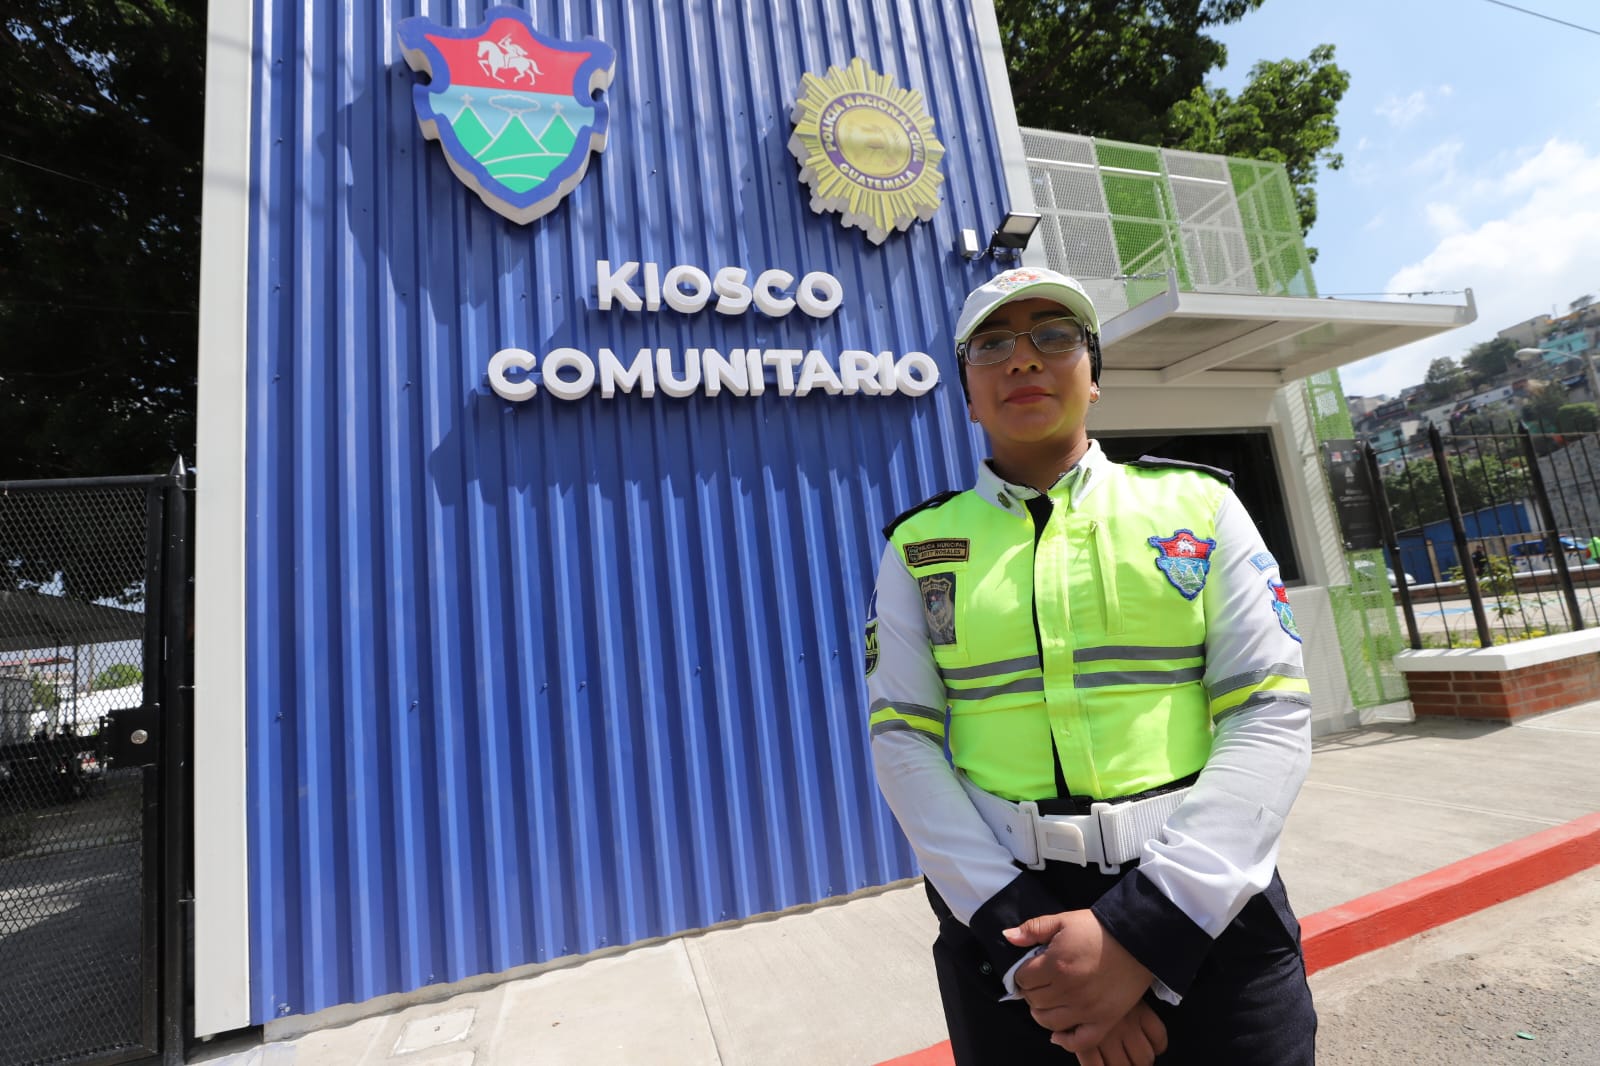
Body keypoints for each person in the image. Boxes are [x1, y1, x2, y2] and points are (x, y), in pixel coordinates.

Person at [865, 267, 1316, 1065]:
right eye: (994, 344)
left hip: (1208, 909)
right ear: (968, 392)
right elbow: (902, 738)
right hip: (1005, 926)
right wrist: (1034, 950)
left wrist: (1144, 932)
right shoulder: (916, 547)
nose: (1026, 359)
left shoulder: (1200, 508)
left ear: (1094, 377)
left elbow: (1269, 711)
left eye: (1056, 336)